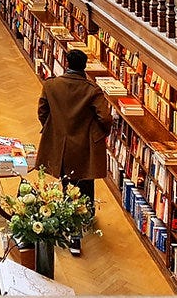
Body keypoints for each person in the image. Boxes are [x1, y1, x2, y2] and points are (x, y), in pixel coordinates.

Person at [36, 48, 112, 255]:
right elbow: (105, 117)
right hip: (84, 145)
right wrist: (99, 133)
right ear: (84, 66)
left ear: (66, 63)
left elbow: (42, 111)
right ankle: (82, 220)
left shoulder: (51, 85)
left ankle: (67, 221)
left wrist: (53, 128)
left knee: (65, 180)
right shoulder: (92, 90)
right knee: (85, 181)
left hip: (60, 143)